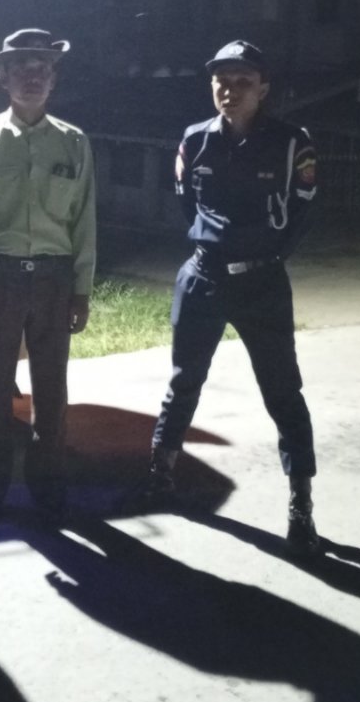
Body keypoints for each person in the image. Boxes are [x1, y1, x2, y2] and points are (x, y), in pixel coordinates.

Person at [122, 42, 322, 555]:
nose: (230, 91)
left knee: (283, 392)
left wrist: (266, 256)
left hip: (262, 283)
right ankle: (160, 475)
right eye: (221, 82)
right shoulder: (195, 140)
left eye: (242, 82)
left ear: (263, 88)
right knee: (183, 382)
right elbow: (186, 203)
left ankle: (301, 504)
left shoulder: (291, 143)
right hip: (203, 277)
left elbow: (302, 215)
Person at [0, 28, 96, 526]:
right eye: (21, 68)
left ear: (53, 78)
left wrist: (82, 289)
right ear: (3, 78)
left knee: (52, 394)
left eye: (42, 68)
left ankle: (49, 491)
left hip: (55, 281)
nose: (32, 77)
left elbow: (85, 222)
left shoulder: (74, 143)